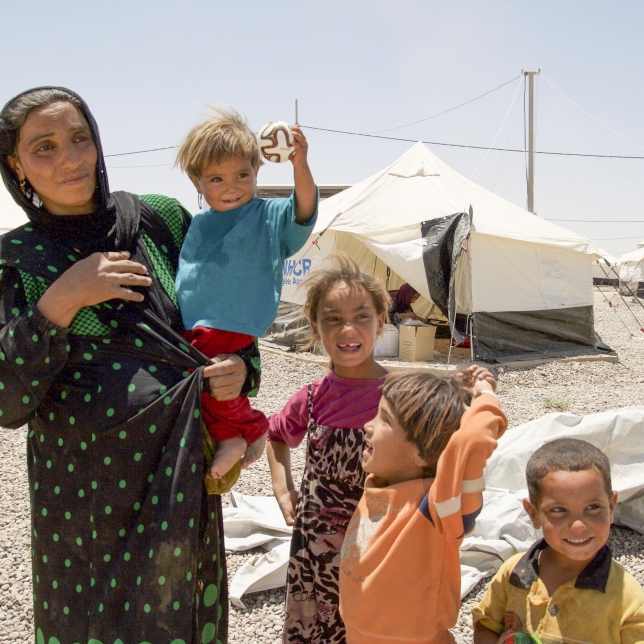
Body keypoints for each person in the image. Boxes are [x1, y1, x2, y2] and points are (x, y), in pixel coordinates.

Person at [0, 87, 259, 643]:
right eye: (43, 148)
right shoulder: (14, 260)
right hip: (83, 502)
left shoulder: (158, 222)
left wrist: (238, 365)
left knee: (182, 613)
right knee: (90, 622)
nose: (70, 159)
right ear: (15, 166)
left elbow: (228, 306)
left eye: (80, 138)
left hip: (178, 477)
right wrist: (62, 300)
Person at [174, 107, 317, 484]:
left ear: (257, 171)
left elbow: (303, 211)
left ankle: (244, 430)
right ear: (197, 181)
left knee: (203, 376)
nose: (232, 186)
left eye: (242, 174)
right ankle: (236, 429)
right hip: (199, 324)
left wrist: (299, 165)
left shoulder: (266, 216)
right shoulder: (199, 223)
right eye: (216, 178)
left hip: (231, 321)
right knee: (199, 380)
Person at [267, 253, 391, 643]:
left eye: (361, 316)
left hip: (377, 546)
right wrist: (283, 488)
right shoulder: (313, 398)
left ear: (381, 322)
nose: (347, 328)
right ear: (316, 327)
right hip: (315, 556)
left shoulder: (400, 397)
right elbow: (275, 435)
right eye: (332, 318)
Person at [339, 367, 508, 643]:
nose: (368, 426)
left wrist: (484, 394)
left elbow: (472, 440)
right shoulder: (381, 480)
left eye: (384, 420)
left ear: (421, 453)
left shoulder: (438, 507)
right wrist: (448, 386)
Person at [472, 438, 644, 643]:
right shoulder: (513, 574)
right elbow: (486, 625)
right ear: (533, 514)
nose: (578, 525)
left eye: (593, 507)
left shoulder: (626, 598)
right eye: (559, 510)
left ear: (611, 507)